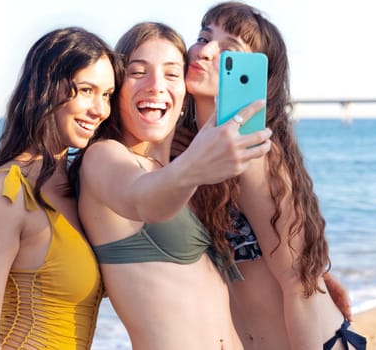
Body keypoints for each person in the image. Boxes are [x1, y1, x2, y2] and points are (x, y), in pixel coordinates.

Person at [175, 2, 367, 349]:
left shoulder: (253, 152)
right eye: (203, 37)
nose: (205, 51)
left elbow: (299, 287)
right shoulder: (187, 154)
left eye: (229, 51)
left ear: (256, 76)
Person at [68, 22, 272, 349]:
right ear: (117, 87)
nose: (155, 86)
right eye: (138, 72)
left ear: (184, 91)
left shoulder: (181, 170)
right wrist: (197, 161)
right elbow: (143, 200)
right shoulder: (105, 158)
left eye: (172, 74)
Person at [0, 27, 121, 349]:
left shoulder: (80, 190)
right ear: (47, 87)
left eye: (107, 95)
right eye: (87, 89)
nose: (100, 109)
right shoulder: (8, 192)